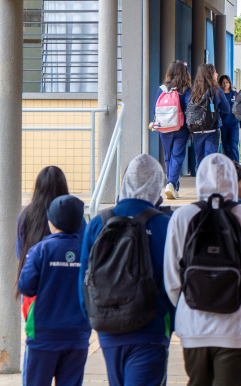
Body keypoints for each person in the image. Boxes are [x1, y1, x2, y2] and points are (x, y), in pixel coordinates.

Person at [164, 154, 241, 386]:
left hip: (193, 327)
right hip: (236, 329)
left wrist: (188, 304)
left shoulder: (182, 216)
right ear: (233, 179)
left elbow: (172, 278)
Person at [78, 155, 173, 386]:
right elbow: (174, 282)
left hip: (108, 330)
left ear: (125, 182)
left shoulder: (98, 223)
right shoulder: (165, 225)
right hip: (151, 329)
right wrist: (170, 323)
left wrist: (95, 317)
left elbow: (83, 282)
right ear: (157, 184)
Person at [18, 195, 91, 386]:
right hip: (78, 334)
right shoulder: (88, 252)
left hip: (43, 334)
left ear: (50, 221)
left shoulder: (40, 250)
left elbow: (25, 287)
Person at [16, 166, 70, 317]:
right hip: (66, 290)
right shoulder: (73, 216)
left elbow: (20, 253)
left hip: (34, 293)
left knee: (36, 329)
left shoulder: (25, 215)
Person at [153, 60, 192, 199]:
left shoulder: (162, 89)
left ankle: (173, 185)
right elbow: (189, 108)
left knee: (168, 156)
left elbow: (155, 108)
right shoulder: (185, 89)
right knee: (177, 156)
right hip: (180, 127)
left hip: (164, 128)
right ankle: (171, 184)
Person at [186, 63, 231, 169]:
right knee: (211, 159)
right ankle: (209, 179)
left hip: (196, 129)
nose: (217, 74)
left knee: (200, 159)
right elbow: (226, 109)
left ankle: (200, 178)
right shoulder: (216, 90)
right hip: (211, 129)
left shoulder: (194, 91)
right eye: (215, 72)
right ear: (210, 74)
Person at [218, 74, 241, 162]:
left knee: (233, 145)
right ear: (220, 84)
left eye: (227, 82)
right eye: (223, 82)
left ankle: (236, 165)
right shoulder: (219, 95)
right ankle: (229, 164)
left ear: (230, 83)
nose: (225, 84)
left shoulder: (235, 94)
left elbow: (240, 108)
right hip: (224, 124)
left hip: (234, 123)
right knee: (226, 146)